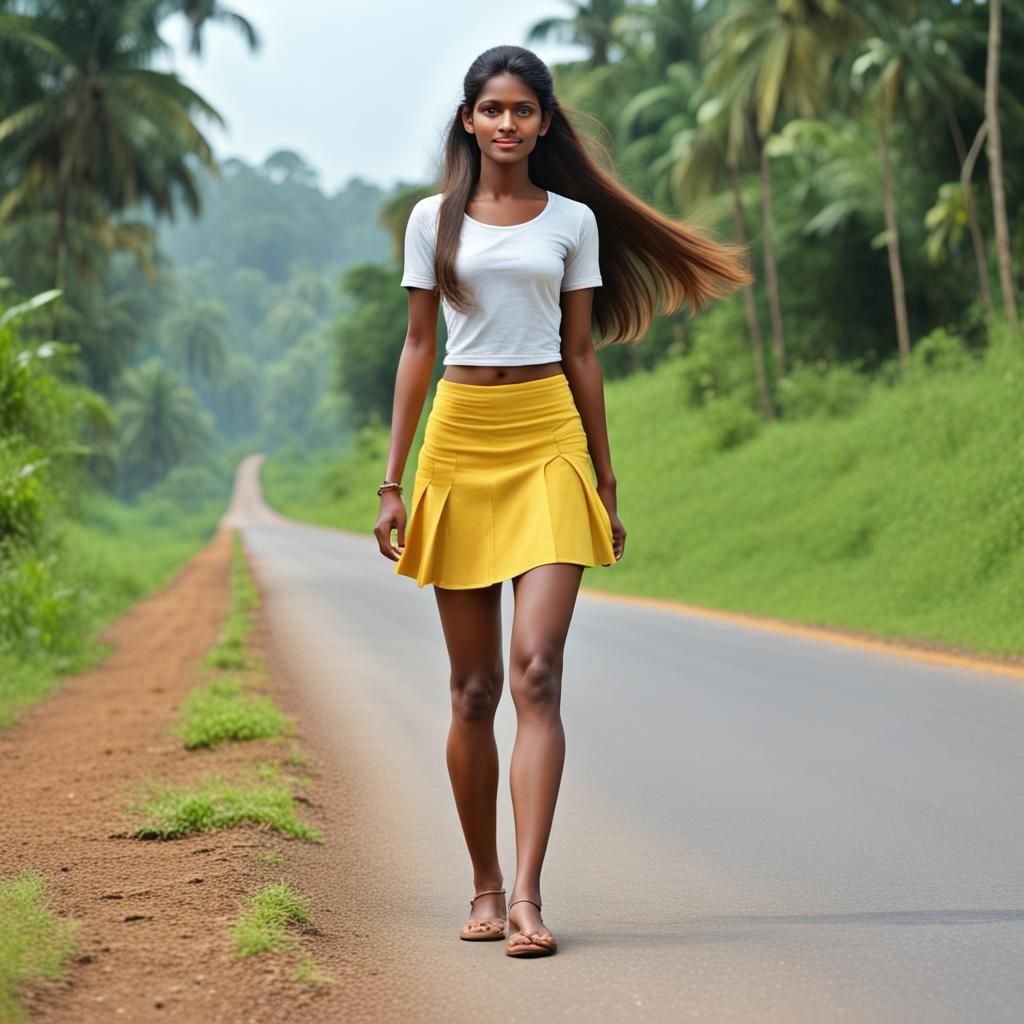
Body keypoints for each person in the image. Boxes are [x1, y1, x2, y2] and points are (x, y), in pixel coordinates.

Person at [373, 44, 751, 958]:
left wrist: (604, 481)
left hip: (547, 439)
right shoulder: (434, 220)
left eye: (524, 110)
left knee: (536, 669)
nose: (508, 123)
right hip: (459, 444)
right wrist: (394, 481)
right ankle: (485, 887)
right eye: (492, 109)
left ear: (545, 124)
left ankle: (533, 897)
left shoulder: (573, 221)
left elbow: (582, 354)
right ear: (469, 120)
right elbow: (419, 347)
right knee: (473, 691)